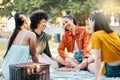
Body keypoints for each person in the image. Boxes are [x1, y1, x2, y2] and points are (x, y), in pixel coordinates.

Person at [0, 12, 39, 80]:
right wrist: (39, 69)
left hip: (4, 70)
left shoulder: (12, 36)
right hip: (15, 74)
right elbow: (34, 56)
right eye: (29, 20)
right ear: (26, 21)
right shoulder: (30, 35)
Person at [88, 11, 120, 80]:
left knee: (90, 66)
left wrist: (97, 78)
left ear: (93, 22)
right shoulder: (113, 33)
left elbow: (98, 58)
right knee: (93, 58)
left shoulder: (96, 35)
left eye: (90, 23)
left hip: (113, 70)